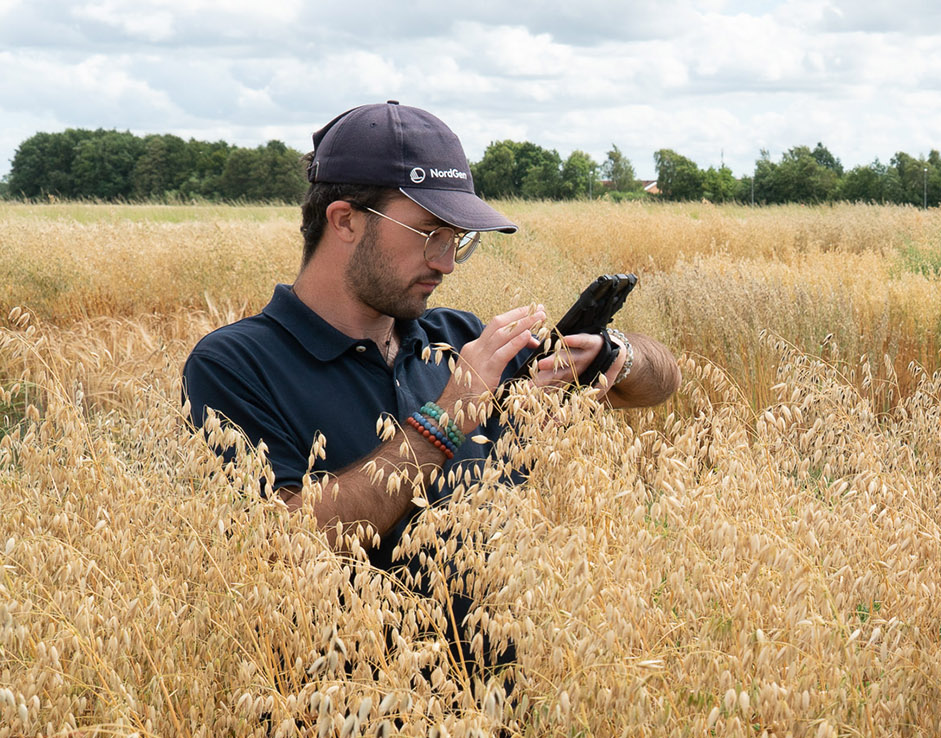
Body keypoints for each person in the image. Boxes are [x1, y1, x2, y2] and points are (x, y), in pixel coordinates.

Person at [184, 101, 680, 678]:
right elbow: (281, 549)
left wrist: (610, 352)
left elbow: (657, 385)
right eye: (428, 234)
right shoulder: (235, 364)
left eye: (459, 239)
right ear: (345, 220)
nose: (446, 262)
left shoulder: (460, 339)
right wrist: (449, 416)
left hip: (490, 726)